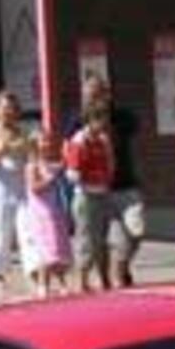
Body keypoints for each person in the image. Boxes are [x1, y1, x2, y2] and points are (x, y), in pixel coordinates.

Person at [90, 76, 147, 288]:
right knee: (105, 240)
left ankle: (120, 268)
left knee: (137, 230)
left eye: (101, 92)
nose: (96, 96)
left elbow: (135, 125)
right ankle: (113, 276)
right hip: (97, 191)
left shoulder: (122, 116)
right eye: (92, 93)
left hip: (126, 185)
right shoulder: (80, 120)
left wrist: (109, 117)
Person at [0, 89, 35, 296]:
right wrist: (1, 150)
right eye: (5, 109)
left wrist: (29, 149)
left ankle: (33, 273)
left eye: (13, 109)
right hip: (1, 192)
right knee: (2, 233)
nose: (9, 113)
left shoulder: (23, 133)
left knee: (27, 232)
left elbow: (32, 159)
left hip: (23, 190)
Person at [63, 89, 118, 295]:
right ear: (90, 120)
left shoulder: (103, 140)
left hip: (102, 192)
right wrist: (88, 175)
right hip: (85, 196)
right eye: (100, 120)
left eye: (105, 120)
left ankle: (104, 279)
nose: (103, 124)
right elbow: (71, 173)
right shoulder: (79, 140)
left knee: (102, 238)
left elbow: (111, 164)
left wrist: (107, 172)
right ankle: (82, 281)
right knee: (85, 238)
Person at [20, 130, 73, 299]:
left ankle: (62, 282)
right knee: (45, 250)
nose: (47, 144)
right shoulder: (31, 166)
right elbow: (34, 188)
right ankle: (43, 285)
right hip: (41, 215)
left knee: (56, 248)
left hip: (55, 212)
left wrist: (66, 151)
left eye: (48, 141)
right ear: (35, 145)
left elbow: (63, 165)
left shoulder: (50, 164)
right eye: (43, 141)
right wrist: (50, 178)